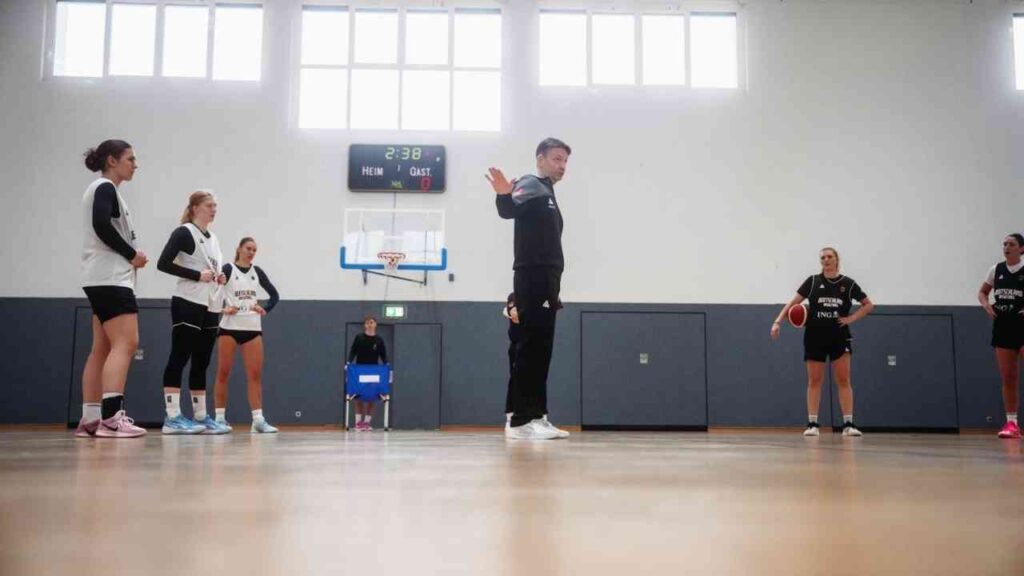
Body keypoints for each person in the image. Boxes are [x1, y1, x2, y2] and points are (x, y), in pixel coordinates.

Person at [488, 137, 572, 440]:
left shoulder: (548, 193)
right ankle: (523, 421)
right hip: (533, 277)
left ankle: (533, 415)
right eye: (556, 159)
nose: (562, 166)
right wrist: (501, 195)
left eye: (565, 161)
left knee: (540, 349)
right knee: (531, 348)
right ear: (540, 159)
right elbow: (509, 208)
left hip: (546, 280)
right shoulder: (533, 185)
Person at [77, 139, 147, 438]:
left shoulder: (106, 191)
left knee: (102, 348)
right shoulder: (105, 188)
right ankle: (111, 419)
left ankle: (90, 419)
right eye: (130, 158)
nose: (135, 164)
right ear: (111, 161)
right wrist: (132, 255)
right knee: (126, 344)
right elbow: (101, 225)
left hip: (99, 278)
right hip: (110, 279)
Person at [770, 247, 874, 437]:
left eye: (829, 257)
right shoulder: (812, 282)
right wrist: (777, 322)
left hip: (839, 337)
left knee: (843, 380)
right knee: (814, 380)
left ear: (836, 260)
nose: (826, 260)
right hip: (814, 336)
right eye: (823, 258)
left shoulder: (848, 284)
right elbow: (792, 304)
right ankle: (812, 424)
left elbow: (869, 304)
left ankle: (848, 424)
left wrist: (851, 319)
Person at [157, 190, 228, 435]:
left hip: (211, 304)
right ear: (196, 207)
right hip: (187, 300)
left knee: (202, 360)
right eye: (210, 205)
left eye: (216, 205)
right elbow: (163, 263)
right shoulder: (184, 232)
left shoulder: (214, 239)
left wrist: (220, 277)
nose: (214, 209)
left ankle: (200, 416)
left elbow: (212, 267)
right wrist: (197, 275)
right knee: (180, 355)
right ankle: (172, 416)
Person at [212, 237, 280, 434]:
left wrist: (264, 307)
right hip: (229, 328)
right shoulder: (227, 269)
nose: (251, 252)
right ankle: (219, 419)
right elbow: (212, 292)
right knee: (223, 373)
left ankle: (258, 420)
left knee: (255, 375)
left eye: (254, 250)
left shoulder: (257, 272)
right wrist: (224, 308)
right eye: (248, 248)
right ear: (239, 249)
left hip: (252, 328)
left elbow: (275, 295)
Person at [977, 233, 1024, 439]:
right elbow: (982, 292)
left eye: (1011, 244)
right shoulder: (995, 270)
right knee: (1008, 377)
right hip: (1003, 327)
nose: (1006, 247)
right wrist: (986, 305)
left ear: (1021, 249)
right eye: (1004, 244)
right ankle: (1012, 424)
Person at [347, 315, 388, 431]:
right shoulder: (359, 337)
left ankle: (367, 423)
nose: (369, 324)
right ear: (365, 325)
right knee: (358, 396)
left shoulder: (379, 340)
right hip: (360, 371)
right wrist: (349, 362)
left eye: (371, 322)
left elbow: (383, 355)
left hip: (373, 371)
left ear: (375, 324)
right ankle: (358, 423)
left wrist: (386, 364)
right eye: (367, 323)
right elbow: (353, 350)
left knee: (372, 397)